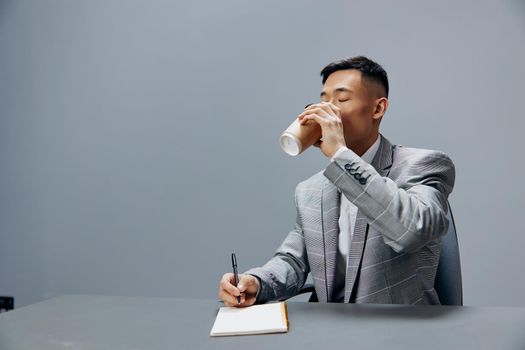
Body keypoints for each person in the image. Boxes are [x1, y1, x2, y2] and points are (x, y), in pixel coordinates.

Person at [219, 56, 455, 306]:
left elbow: (412, 231)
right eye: (323, 101)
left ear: (378, 108)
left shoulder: (423, 164)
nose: (326, 111)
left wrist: (341, 155)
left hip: (400, 332)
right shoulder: (311, 190)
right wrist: (256, 282)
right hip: (332, 333)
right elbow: (294, 260)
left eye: (341, 100)